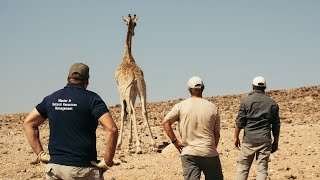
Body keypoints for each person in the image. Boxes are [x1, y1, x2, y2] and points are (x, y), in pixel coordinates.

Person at [23, 63, 118, 179]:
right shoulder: (92, 99)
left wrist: (41, 154)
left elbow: (29, 123)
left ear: (68, 78)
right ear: (87, 81)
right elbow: (112, 129)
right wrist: (107, 162)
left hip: (55, 169)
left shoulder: (52, 98)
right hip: (82, 169)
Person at [162, 76, 223, 180]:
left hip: (189, 152)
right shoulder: (213, 107)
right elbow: (216, 133)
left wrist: (175, 142)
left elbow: (166, 122)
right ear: (203, 88)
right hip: (208, 151)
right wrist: (211, 148)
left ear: (189, 89)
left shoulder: (181, 106)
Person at [234, 76, 281, 180]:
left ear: (252, 87)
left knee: (243, 168)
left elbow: (239, 122)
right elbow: (276, 125)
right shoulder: (272, 103)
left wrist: (235, 137)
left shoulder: (246, 101)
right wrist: (276, 141)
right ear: (265, 87)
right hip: (264, 140)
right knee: (262, 169)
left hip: (248, 140)